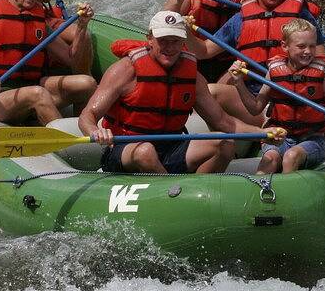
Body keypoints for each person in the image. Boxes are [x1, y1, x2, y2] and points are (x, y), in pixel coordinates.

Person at [78, 11, 284, 174]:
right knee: (145, 152)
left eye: (175, 41)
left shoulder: (191, 74)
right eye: (163, 40)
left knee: (224, 141)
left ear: (183, 41)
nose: (169, 47)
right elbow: (87, 116)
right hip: (126, 149)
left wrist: (263, 134)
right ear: (150, 39)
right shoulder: (124, 70)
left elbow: (225, 122)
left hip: (171, 146)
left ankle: (199, 192)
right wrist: (95, 131)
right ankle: (174, 193)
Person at [185, 0, 325, 123]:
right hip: (253, 98)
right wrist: (186, 32)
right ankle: (239, 131)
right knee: (213, 91)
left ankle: (272, 127)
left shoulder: (301, 17)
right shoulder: (241, 19)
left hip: (292, 96)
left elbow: (321, 60)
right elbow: (204, 50)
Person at [227, 19, 325, 173]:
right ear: (285, 46)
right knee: (270, 158)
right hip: (280, 136)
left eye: (312, 46)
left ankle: (287, 194)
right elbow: (255, 108)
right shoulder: (274, 72)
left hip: (311, 139)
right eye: (301, 46)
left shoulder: (321, 75)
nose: (308, 51)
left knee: (291, 156)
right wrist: (238, 83)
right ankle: (257, 190)